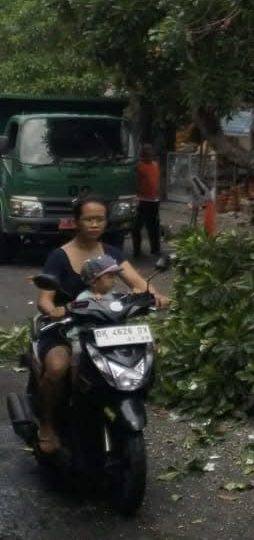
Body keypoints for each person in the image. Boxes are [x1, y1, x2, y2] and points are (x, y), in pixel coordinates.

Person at [32, 192, 167, 454]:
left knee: (144, 352)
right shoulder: (59, 256)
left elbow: (139, 284)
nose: (94, 224)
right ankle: (47, 424)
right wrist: (54, 310)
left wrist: (156, 296)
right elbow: (44, 300)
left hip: (104, 327)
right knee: (58, 368)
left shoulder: (112, 254)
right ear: (76, 222)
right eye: (88, 219)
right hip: (66, 327)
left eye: (100, 219)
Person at [133, 143, 162, 260]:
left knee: (154, 226)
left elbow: (156, 181)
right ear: (143, 154)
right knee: (137, 226)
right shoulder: (138, 166)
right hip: (141, 200)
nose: (149, 154)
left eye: (150, 152)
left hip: (154, 200)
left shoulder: (155, 165)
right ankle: (137, 251)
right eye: (147, 152)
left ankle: (155, 249)